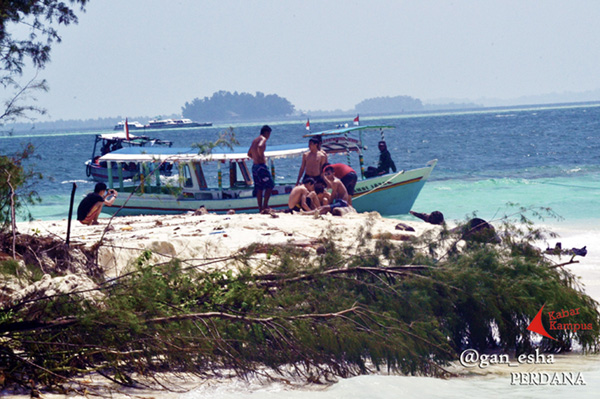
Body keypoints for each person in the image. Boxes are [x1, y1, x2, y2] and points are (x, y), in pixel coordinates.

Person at [247, 125, 275, 212]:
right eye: (269, 134)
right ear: (266, 132)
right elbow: (260, 146)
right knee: (270, 184)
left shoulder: (254, 140)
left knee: (259, 187)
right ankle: (265, 205)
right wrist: (260, 156)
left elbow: (249, 154)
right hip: (261, 166)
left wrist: (255, 158)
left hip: (255, 166)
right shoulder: (263, 138)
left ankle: (260, 208)